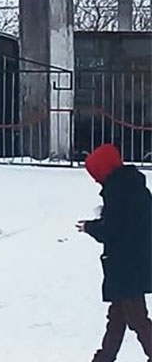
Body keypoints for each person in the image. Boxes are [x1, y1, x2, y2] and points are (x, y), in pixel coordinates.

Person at [78, 142, 152, 362]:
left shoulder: (117, 192)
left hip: (126, 264)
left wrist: (91, 226)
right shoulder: (134, 187)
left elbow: (112, 229)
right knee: (118, 316)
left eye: (95, 173)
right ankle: (105, 357)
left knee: (136, 317)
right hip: (137, 259)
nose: (95, 179)